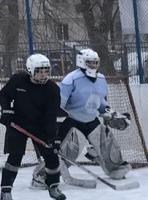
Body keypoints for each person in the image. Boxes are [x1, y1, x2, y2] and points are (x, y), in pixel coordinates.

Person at [33, 48, 130, 187]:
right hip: (72, 120)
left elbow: (100, 102)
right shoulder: (71, 79)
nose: (94, 65)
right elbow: (59, 105)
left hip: (91, 119)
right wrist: (55, 127)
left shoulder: (101, 79)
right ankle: (42, 175)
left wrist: (111, 114)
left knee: (107, 143)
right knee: (67, 152)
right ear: (81, 62)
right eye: (90, 62)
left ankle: (115, 168)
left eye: (96, 62)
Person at [0, 53, 66, 200]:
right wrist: (7, 111)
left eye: (46, 71)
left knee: (51, 156)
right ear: (30, 70)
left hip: (41, 126)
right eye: (39, 71)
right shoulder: (18, 80)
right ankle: (6, 191)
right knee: (15, 156)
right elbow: (4, 95)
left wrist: (53, 138)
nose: (43, 74)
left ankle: (53, 186)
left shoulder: (53, 89)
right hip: (18, 124)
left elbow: (51, 116)